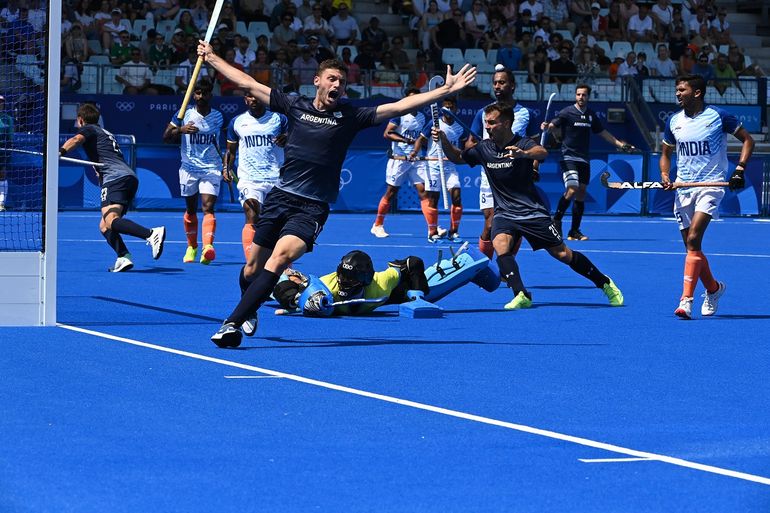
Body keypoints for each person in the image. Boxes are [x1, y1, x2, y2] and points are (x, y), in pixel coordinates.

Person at [195, 37, 476, 347]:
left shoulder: (350, 116)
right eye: (332, 79)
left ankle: (232, 323)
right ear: (317, 81)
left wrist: (444, 91)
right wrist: (211, 58)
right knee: (251, 269)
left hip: (311, 207)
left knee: (280, 259)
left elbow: (399, 105)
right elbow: (248, 82)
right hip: (280, 197)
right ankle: (248, 308)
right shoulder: (295, 105)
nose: (337, 85)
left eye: (342, 82)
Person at [436, 102, 624, 310]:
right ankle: (521, 294)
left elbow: (541, 152)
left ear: (506, 123)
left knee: (562, 254)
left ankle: (604, 282)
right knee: (500, 246)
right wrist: (443, 139)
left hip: (532, 212)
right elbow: (456, 157)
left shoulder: (522, 143)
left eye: (492, 123)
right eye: (485, 123)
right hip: (504, 212)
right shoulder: (483, 148)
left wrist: (524, 155)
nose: (487, 127)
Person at [659, 74, 754, 319]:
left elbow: (747, 140)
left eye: (682, 90)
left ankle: (686, 300)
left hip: (711, 186)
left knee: (693, 239)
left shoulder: (718, 116)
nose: (677, 93)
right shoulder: (674, 121)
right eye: (677, 90)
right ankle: (713, 289)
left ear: (697, 92)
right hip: (683, 188)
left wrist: (740, 169)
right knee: (693, 249)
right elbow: (666, 153)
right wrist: (665, 174)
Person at [59, 103, 166, 272]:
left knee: (110, 219)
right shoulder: (105, 133)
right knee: (105, 225)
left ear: (80, 120)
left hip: (116, 178)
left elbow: (76, 140)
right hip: (128, 177)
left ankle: (151, 234)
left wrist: (60, 152)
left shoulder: (89, 129)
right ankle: (123, 256)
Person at [542, 83, 635, 241]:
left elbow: (603, 133)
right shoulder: (567, 112)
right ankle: (556, 221)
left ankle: (574, 231)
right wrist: (548, 126)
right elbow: (553, 124)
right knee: (572, 189)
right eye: (578, 94)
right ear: (575, 96)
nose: (580, 97)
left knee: (581, 193)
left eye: (583, 95)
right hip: (568, 157)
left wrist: (620, 144)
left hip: (583, 158)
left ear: (588, 97)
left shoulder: (591, 115)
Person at [466, 68, 535, 258]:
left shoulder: (526, 114)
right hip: (490, 175)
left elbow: (534, 144)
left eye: (502, 82)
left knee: (515, 225)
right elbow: (470, 142)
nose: (497, 86)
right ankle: (483, 267)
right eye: (495, 82)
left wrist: (534, 165)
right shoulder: (483, 113)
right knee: (490, 222)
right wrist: (477, 150)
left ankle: (507, 265)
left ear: (512, 86)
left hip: (516, 177)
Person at [162, 78, 224, 265]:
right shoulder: (183, 114)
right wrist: (180, 130)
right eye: (197, 93)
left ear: (210, 95)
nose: (200, 97)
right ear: (193, 95)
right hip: (188, 168)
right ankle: (192, 246)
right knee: (190, 209)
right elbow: (165, 137)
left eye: (204, 93)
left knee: (207, 206)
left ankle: (207, 247)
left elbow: (229, 139)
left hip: (211, 168)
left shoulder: (219, 117)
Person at [371, 88, 445, 241]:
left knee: (423, 193)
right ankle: (377, 225)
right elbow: (387, 133)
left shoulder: (423, 117)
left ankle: (432, 228)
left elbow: (423, 138)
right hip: (399, 160)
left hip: (416, 160)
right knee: (391, 192)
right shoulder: (399, 115)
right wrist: (405, 140)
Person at [224, 92, 288, 260]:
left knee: (275, 223)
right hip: (249, 179)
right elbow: (230, 151)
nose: (253, 99)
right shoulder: (237, 122)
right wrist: (226, 168)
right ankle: (251, 262)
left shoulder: (279, 119)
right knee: (251, 214)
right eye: (249, 97)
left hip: (275, 178)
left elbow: (297, 137)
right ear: (245, 99)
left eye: (256, 96)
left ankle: (279, 262)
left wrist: (287, 138)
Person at [272, 251, 430, 315]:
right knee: (287, 292)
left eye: (350, 278)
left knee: (407, 285)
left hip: (383, 298)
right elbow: (307, 290)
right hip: (312, 286)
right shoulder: (327, 287)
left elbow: (413, 262)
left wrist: (418, 295)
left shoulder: (382, 282)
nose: (343, 281)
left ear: (365, 279)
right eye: (342, 275)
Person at [415, 96, 468, 240]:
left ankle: (454, 231)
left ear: (456, 109)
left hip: (450, 165)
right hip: (433, 166)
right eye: (445, 107)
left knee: (456, 197)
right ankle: (432, 233)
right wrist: (414, 152)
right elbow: (421, 139)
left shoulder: (460, 127)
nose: (448, 110)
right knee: (433, 199)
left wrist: (460, 154)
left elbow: (462, 148)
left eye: (451, 107)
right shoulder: (434, 123)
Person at [0, 95, 11, 211]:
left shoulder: (7, 119)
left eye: (1, 102)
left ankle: (1, 203)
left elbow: (10, 136)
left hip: (3, 151)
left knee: (2, 174)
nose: (0, 104)